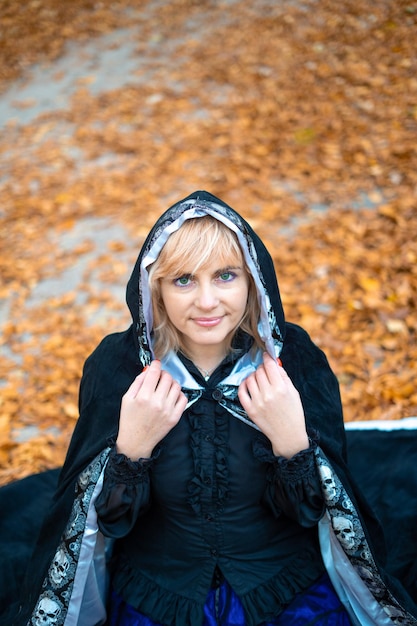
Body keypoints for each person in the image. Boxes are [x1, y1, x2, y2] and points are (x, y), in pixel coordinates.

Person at [10, 191, 417, 626]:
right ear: (157, 289)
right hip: (159, 595)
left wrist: (291, 443)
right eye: (183, 279)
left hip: (284, 588)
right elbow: (111, 525)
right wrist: (132, 450)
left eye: (225, 276)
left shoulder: (294, 360)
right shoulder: (118, 368)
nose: (207, 302)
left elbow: (313, 513)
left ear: (252, 281)